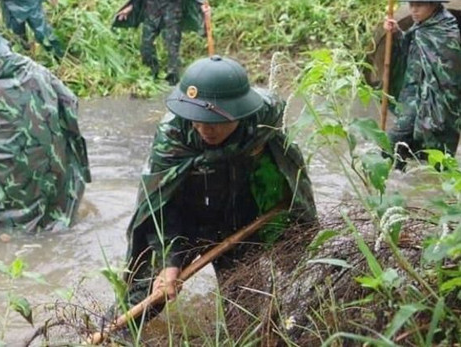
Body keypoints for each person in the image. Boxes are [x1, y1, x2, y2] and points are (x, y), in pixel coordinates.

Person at [122, 55, 317, 324]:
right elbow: (159, 202)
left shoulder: (263, 118)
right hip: (183, 221)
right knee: (143, 301)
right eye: (196, 119)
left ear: (239, 113)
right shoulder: (173, 134)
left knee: (245, 310)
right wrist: (170, 261)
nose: (204, 129)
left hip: (237, 221)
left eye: (213, 122)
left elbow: (284, 155)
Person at [0, 26, 90, 232]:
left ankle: (0, 226)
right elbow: (70, 103)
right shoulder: (37, 70)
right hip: (42, 155)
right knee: (46, 179)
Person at [384, 0, 461, 162]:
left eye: (419, 5)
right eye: (411, 5)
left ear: (434, 5)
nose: (413, 10)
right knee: (397, 146)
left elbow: (451, 75)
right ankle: (395, 182)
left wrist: (430, 98)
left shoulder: (446, 30)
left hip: (434, 101)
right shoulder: (421, 26)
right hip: (412, 95)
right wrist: (396, 33)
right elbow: (410, 51)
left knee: (432, 152)